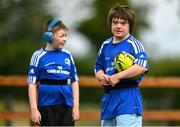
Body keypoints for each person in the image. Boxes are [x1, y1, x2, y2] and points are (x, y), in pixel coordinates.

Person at [94, 4, 149, 127]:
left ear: (130, 25)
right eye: (115, 22)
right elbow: (97, 68)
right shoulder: (105, 45)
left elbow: (142, 66)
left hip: (128, 98)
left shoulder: (134, 44)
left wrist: (118, 76)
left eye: (123, 23)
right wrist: (103, 77)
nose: (118, 26)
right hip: (108, 99)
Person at [27, 18, 79, 126]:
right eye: (61, 36)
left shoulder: (67, 55)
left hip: (67, 105)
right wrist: (33, 109)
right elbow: (32, 84)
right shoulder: (38, 56)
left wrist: (76, 107)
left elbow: (74, 82)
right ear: (49, 36)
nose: (65, 39)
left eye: (66, 36)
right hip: (46, 105)